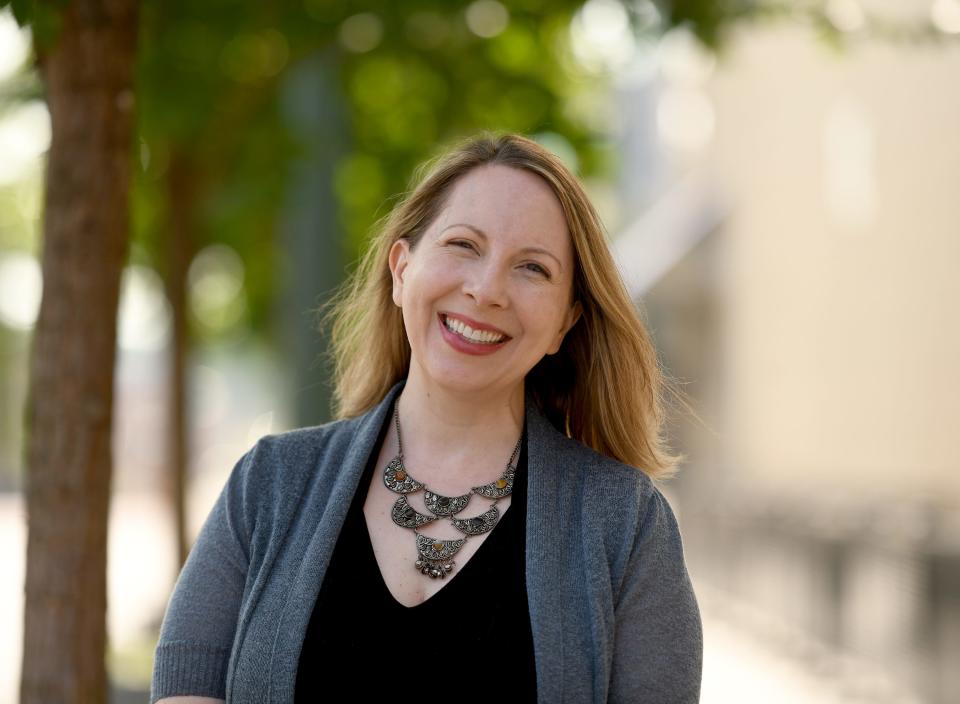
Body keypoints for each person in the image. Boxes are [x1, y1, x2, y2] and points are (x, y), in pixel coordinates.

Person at [151, 133, 703, 704]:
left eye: (533, 268)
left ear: (566, 323)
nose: (486, 290)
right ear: (400, 269)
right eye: (464, 244)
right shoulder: (268, 484)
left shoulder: (627, 526)